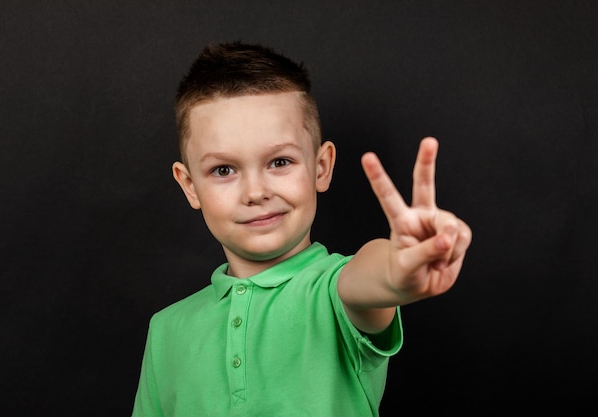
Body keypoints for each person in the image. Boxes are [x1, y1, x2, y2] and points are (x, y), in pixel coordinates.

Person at [131, 41, 472, 417]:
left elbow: (369, 277)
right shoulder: (166, 330)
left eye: (280, 161)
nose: (256, 192)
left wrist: (398, 267)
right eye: (223, 170)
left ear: (321, 166)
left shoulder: (336, 293)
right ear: (190, 185)